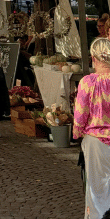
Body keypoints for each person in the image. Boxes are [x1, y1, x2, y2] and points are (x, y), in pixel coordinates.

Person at [74, 37, 110, 219]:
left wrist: (76, 132)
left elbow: (80, 115)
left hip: (96, 140)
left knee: (96, 189)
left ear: (94, 58)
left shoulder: (87, 82)